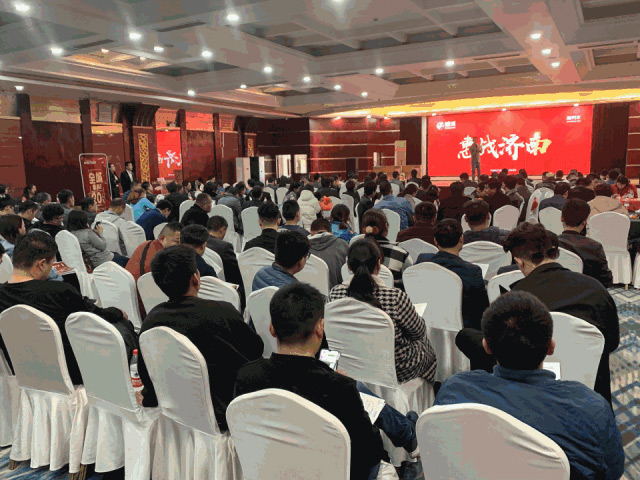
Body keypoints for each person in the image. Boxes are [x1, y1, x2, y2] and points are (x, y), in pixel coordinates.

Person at [235, 283, 422, 480]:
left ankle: (408, 431)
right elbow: (368, 454)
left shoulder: (246, 377)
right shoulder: (339, 387)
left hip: (272, 469)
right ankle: (409, 436)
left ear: (272, 329)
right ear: (320, 327)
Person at [436, 291, 624, 480]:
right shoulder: (591, 409)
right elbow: (613, 471)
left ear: (486, 346)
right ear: (551, 347)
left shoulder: (454, 391)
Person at [460, 223, 619, 402]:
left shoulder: (513, 302)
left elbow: (504, 352)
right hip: (591, 390)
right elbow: (611, 343)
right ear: (555, 253)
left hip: (529, 392)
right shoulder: (596, 289)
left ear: (519, 262)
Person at [137, 245, 263, 430]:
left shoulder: (152, 320)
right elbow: (255, 350)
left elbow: (147, 372)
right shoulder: (222, 311)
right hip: (223, 411)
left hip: (175, 409)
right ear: (195, 278)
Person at [0, 231, 137, 385]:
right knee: (122, 327)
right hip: (72, 371)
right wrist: (118, 313)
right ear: (41, 264)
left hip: (24, 373)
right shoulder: (59, 292)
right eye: (51, 265)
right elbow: (96, 317)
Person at [329, 239, 436, 384]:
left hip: (348, 362)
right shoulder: (395, 297)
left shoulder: (335, 294)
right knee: (426, 345)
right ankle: (433, 388)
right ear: (379, 264)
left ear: (348, 265)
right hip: (394, 367)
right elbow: (418, 332)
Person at [417, 219, 489, 329]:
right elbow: (481, 309)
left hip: (424, 326)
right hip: (462, 330)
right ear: (461, 239)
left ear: (435, 241)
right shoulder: (472, 271)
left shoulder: (422, 262)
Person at [559, 199, 613, 288]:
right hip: (586, 292)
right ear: (585, 222)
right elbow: (606, 280)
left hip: (555, 291)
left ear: (561, 218)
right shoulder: (594, 247)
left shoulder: (550, 244)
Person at [360, 209, 412, 287]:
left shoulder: (354, 252)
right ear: (386, 226)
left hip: (358, 294)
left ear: (363, 228)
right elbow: (409, 282)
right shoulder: (402, 255)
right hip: (393, 294)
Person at [308, 218, 348, 289]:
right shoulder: (343, 245)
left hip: (309, 292)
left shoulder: (302, 248)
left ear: (311, 232)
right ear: (331, 232)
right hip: (338, 291)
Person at [206, 216, 242, 287]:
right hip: (223, 286)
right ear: (222, 230)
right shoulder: (225, 247)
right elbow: (234, 274)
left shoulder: (200, 244)